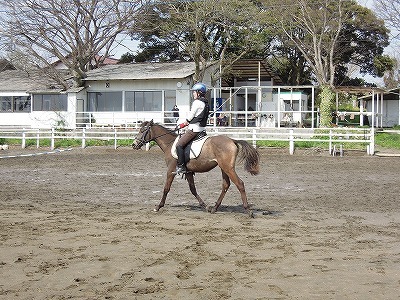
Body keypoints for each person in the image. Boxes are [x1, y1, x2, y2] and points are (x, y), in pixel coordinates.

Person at [175, 82, 209, 175]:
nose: (193, 94)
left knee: (179, 145)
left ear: (199, 93)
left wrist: (185, 122)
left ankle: (181, 166)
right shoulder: (205, 103)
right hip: (202, 130)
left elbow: (191, 116)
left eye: (194, 92)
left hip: (194, 130)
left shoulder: (197, 102)